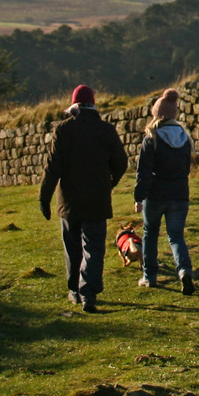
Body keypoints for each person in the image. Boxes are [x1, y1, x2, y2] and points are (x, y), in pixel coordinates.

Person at [40, 84, 128, 313]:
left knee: (72, 247)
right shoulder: (106, 130)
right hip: (97, 200)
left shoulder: (64, 130)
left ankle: (74, 291)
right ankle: (88, 292)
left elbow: (52, 168)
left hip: (69, 201)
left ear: (74, 105)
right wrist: (110, 183)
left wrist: (44, 198)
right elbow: (121, 163)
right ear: (93, 105)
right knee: (93, 247)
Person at [133, 87, 195, 294]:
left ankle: (149, 276)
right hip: (180, 194)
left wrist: (139, 196)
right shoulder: (185, 138)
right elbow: (186, 168)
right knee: (176, 236)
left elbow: (144, 171)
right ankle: (184, 270)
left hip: (156, 193)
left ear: (156, 115)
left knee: (150, 233)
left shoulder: (151, 138)